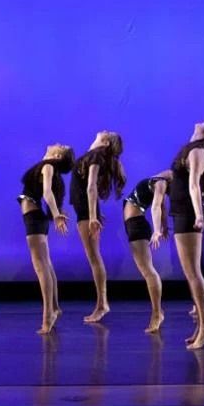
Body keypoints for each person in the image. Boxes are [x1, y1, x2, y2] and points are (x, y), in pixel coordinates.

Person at [169, 121, 204, 349]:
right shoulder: (192, 149)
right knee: (192, 273)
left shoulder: (198, 151)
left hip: (187, 213)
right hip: (182, 212)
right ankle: (201, 326)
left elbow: (195, 185)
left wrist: (199, 216)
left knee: (194, 274)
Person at [18, 143, 75, 334]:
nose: (56, 143)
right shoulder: (47, 167)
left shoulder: (48, 166)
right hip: (35, 218)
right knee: (46, 264)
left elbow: (47, 192)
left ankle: (48, 315)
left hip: (34, 218)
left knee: (41, 266)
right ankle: (55, 307)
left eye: (61, 146)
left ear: (57, 156)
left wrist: (57, 213)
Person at [69, 131, 126, 323]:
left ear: (106, 142)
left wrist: (93, 216)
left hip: (86, 214)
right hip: (85, 211)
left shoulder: (95, 156)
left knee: (94, 257)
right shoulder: (94, 155)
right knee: (94, 257)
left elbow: (91, 187)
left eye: (108, 133)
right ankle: (102, 303)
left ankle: (102, 304)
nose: (104, 130)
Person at [123, 170, 173, 333]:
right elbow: (163, 207)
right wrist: (164, 226)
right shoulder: (158, 182)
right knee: (147, 271)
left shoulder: (160, 182)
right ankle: (158, 312)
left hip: (137, 225)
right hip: (133, 225)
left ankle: (157, 313)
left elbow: (157, 206)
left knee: (148, 272)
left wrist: (158, 230)